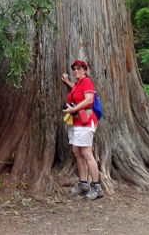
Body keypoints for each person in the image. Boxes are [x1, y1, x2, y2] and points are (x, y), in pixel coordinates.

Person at [61, 60, 104, 200]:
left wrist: (73, 109)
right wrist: (67, 81)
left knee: (86, 153)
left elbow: (88, 99)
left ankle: (96, 187)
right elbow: (76, 90)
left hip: (86, 123)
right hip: (76, 123)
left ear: (84, 70)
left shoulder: (86, 81)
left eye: (79, 69)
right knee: (77, 152)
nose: (76, 71)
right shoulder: (78, 84)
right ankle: (83, 184)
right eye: (74, 69)